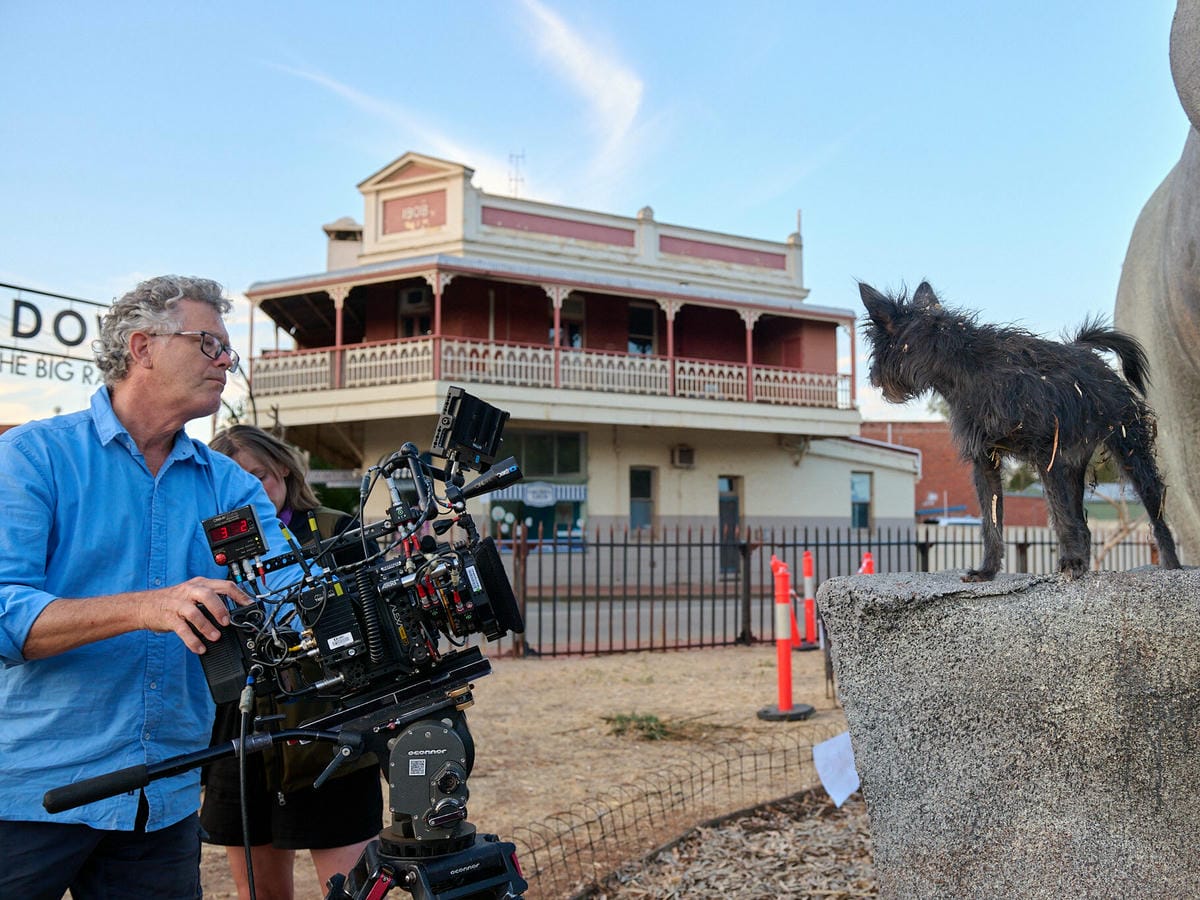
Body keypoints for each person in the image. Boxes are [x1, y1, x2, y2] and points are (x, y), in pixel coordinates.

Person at [0, 275, 289, 899]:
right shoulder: (32, 458)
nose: (228, 361)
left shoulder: (230, 486)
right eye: (209, 343)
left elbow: (287, 590)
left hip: (162, 796)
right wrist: (146, 607)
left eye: (228, 349)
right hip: (29, 794)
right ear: (142, 346)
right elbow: (4, 613)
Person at [200, 425, 383, 900]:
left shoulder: (332, 529)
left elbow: (380, 624)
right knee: (259, 893)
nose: (247, 491)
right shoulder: (203, 549)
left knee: (349, 891)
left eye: (257, 476)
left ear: (283, 469)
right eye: (231, 481)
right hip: (239, 735)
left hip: (330, 734)